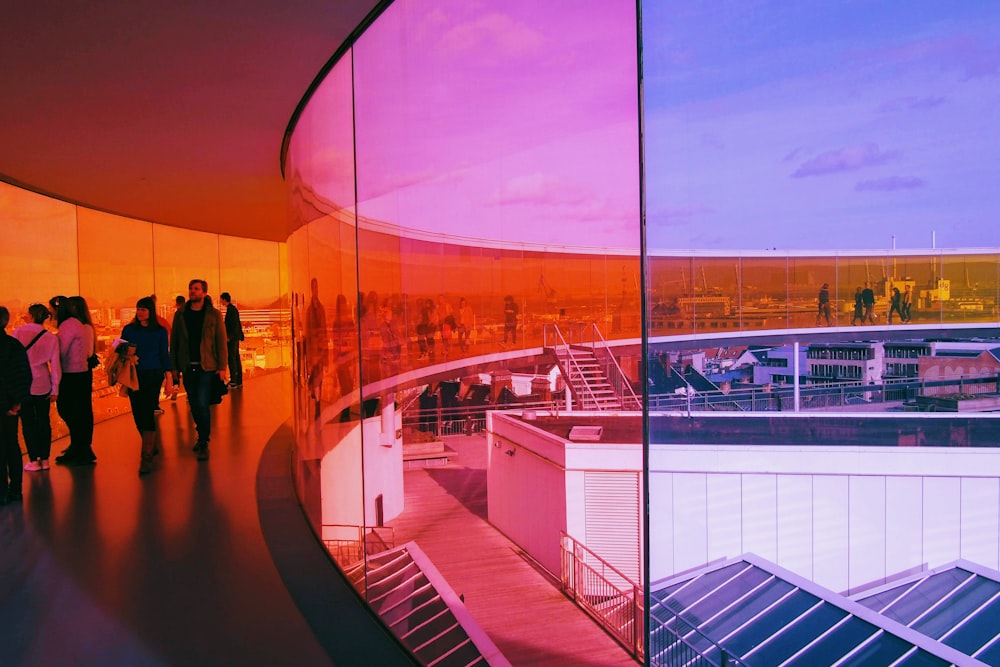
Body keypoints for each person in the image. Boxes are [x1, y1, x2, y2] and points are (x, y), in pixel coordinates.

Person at [170, 279, 227, 461]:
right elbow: (175, 342)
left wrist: (222, 367)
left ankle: (203, 440)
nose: (192, 291)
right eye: (190, 288)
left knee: (202, 403)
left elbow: (220, 341)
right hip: (188, 366)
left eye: (196, 289)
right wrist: (174, 368)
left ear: (203, 292)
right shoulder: (180, 315)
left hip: (207, 366)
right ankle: (201, 433)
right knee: (193, 404)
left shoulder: (213, 315)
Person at [122, 296, 172, 475]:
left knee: (147, 411)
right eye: (138, 309)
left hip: (153, 374)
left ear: (150, 311)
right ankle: (150, 444)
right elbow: (119, 349)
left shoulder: (159, 332)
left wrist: (169, 379)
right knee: (137, 413)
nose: (140, 312)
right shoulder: (129, 330)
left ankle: (147, 456)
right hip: (134, 375)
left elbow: (164, 355)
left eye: (143, 309)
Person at [12, 303, 61, 471]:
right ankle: (45, 459)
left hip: (24, 384)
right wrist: (55, 388)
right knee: (43, 421)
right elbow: (55, 366)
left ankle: (33, 459)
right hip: (43, 383)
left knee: (27, 423)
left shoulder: (17, 333)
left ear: (31, 316)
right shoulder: (51, 338)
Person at [54, 296, 98, 466]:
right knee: (81, 410)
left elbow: (85, 352)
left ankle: (80, 446)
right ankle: (80, 447)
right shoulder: (84, 327)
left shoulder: (79, 327)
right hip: (81, 373)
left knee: (73, 410)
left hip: (75, 373)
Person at [0, 307, 32, 505]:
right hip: (11, 405)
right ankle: (16, 489)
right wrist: (16, 402)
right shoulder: (14, 345)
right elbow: (24, 376)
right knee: (12, 445)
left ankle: (2, 490)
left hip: (5, 404)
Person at [305, 278, 329, 418]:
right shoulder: (311, 310)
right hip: (314, 350)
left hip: (319, 350)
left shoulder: (320, 308)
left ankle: (318, 403)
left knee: (319, 378)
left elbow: (324, 330)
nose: (315, 289)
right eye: (314, 287)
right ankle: (317, 402)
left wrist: (325, 354)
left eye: (316, 287)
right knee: (316, 379)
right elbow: (309, 334)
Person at [219, 292, 244, 388]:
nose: (221, 302)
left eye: (221, 300)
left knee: (232, 358)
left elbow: (233, 326)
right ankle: (238, 380)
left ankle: (234, 379)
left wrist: (229, 337)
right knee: (235, 357)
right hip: (235, 337)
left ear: (224, 299)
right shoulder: (233, 309)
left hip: (232, 338)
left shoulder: (231, 310)